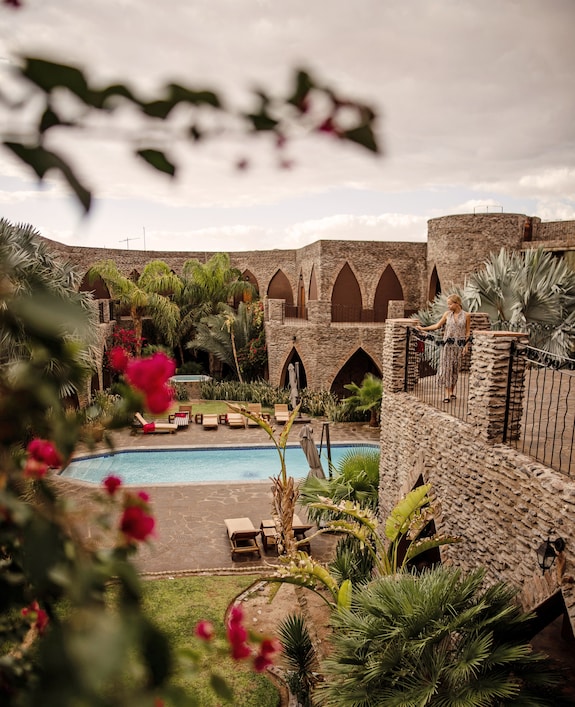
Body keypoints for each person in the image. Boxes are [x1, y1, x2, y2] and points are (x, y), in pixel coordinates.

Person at [417, 294, 471, 403]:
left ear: (457, 304)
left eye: (450, 304)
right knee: (446, 368)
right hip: (447, 346)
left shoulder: (466, 316)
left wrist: (466, 345)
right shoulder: (447, 315)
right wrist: (423, 328)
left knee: (455, 369)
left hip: (459, 346)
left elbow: (467, 331)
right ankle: (446, 394)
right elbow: (437, 326)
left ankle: (451, 391)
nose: (448, 306)